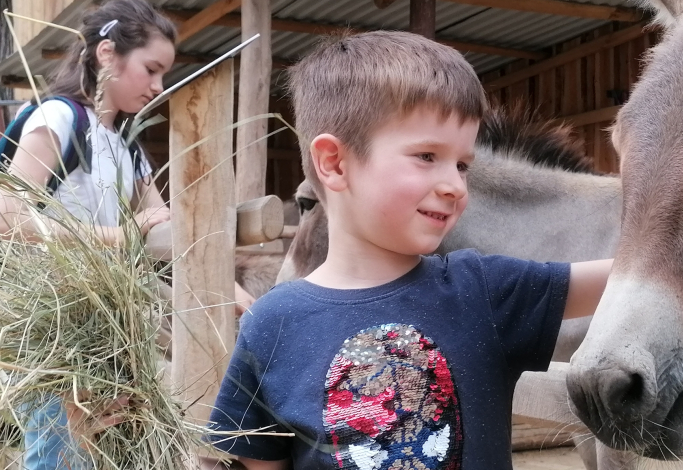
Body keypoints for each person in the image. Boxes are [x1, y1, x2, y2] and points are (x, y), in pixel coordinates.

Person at [207, 31, 612, 470]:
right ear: (335, 163)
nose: (455, 186)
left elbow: (628, 275)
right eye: (426, 156)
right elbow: (260, 463)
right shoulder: (270, 324)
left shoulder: (485, 290)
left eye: (462, 165)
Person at [0, 1, 250, 468]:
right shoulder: (58, 118)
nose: (158, 86)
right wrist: (116, 236)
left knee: (110, 450)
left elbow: (172, 232)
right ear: (108, 54)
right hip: (56, 324)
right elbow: (7, 217)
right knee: (60, 452)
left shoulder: (128, 145)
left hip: (115, 325)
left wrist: (235, 296)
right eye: (151, 69)